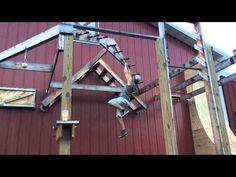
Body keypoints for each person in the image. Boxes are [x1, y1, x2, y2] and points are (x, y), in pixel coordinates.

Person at [108, 62, 141, 138]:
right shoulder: (135, 87)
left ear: (133, 78)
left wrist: (125, 65)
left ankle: (122, 109)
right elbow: (129, 74)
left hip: (122, 99)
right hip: (126, 102)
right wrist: (129, 69)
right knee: (118, 116)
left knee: (110, 102)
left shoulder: (130, 82)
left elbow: (126, 72)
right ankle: (124, 129)